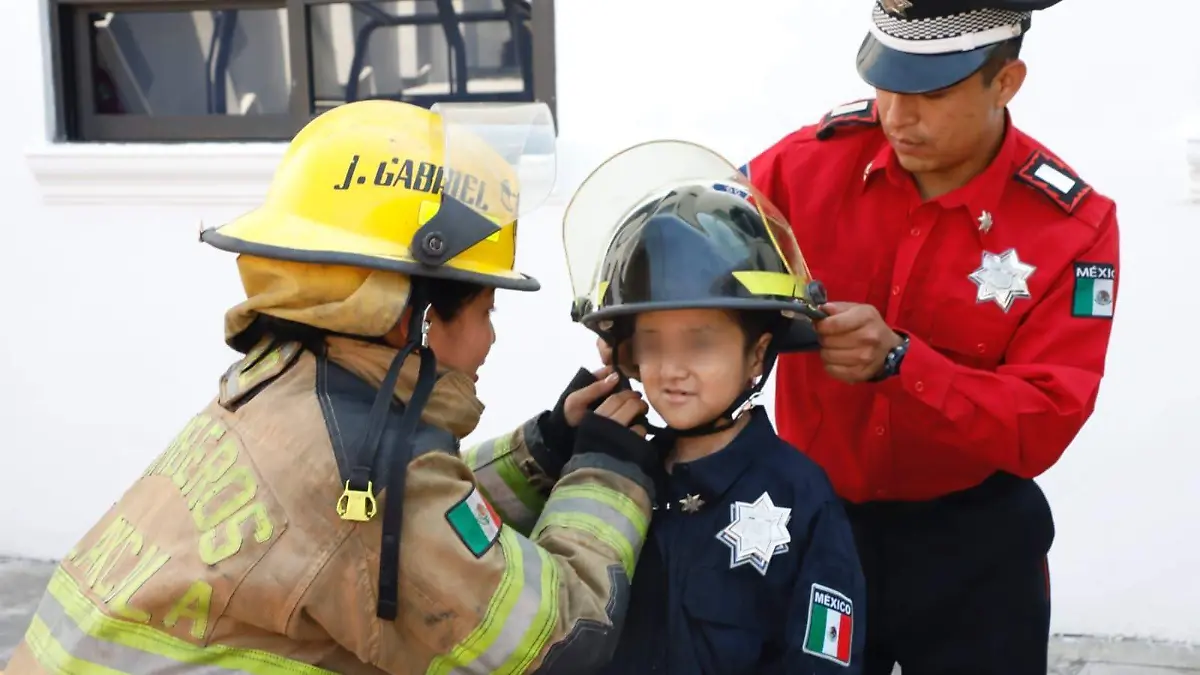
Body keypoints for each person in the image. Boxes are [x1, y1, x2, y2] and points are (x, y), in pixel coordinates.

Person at [5, 99, 660, 675]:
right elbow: (561, 639)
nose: (491, 339)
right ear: (417, 317)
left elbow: (403, 535)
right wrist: (607, 470)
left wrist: (544, 449)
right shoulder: (358, 463)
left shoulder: (285, 383)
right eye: (488, 310)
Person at [730, 0, 1121, 673]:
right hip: (814, 525)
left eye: (931, 92)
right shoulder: (800, 170)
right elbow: (697, 250)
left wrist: (903, 362)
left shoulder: (1073, 228)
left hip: (973, 549)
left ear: (1006, 82)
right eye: (886, 82)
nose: (895, 115)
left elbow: (1047, 420)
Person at [564, 140, 867, 673]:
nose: (672, 367)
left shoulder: (801, 498)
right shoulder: (613, 477)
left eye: (700, 342)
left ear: (759, 352)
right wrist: (567, 451)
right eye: (653, 343)